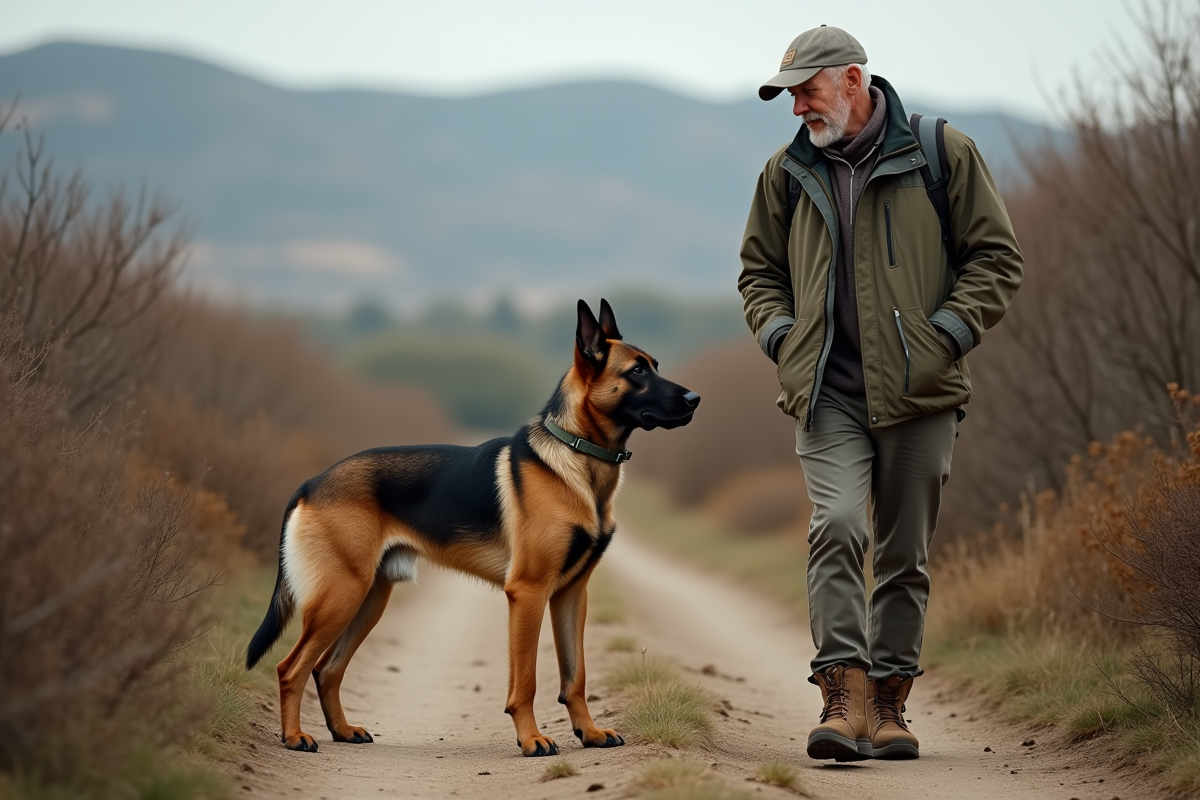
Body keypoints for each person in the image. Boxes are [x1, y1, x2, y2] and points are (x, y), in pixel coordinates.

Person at [737, 25, 1023, 761]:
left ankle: (891, 706)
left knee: (904, 554)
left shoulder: (940, 152)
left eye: (806, 89)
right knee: (836, 524)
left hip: (920, 392)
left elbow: (995, 257)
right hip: (826, 391)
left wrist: (947, 336)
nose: (797, 105)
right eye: (790, 93)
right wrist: (782, 337)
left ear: (854, 80)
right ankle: (844, 695)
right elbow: (758, 273)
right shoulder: (786, 173)